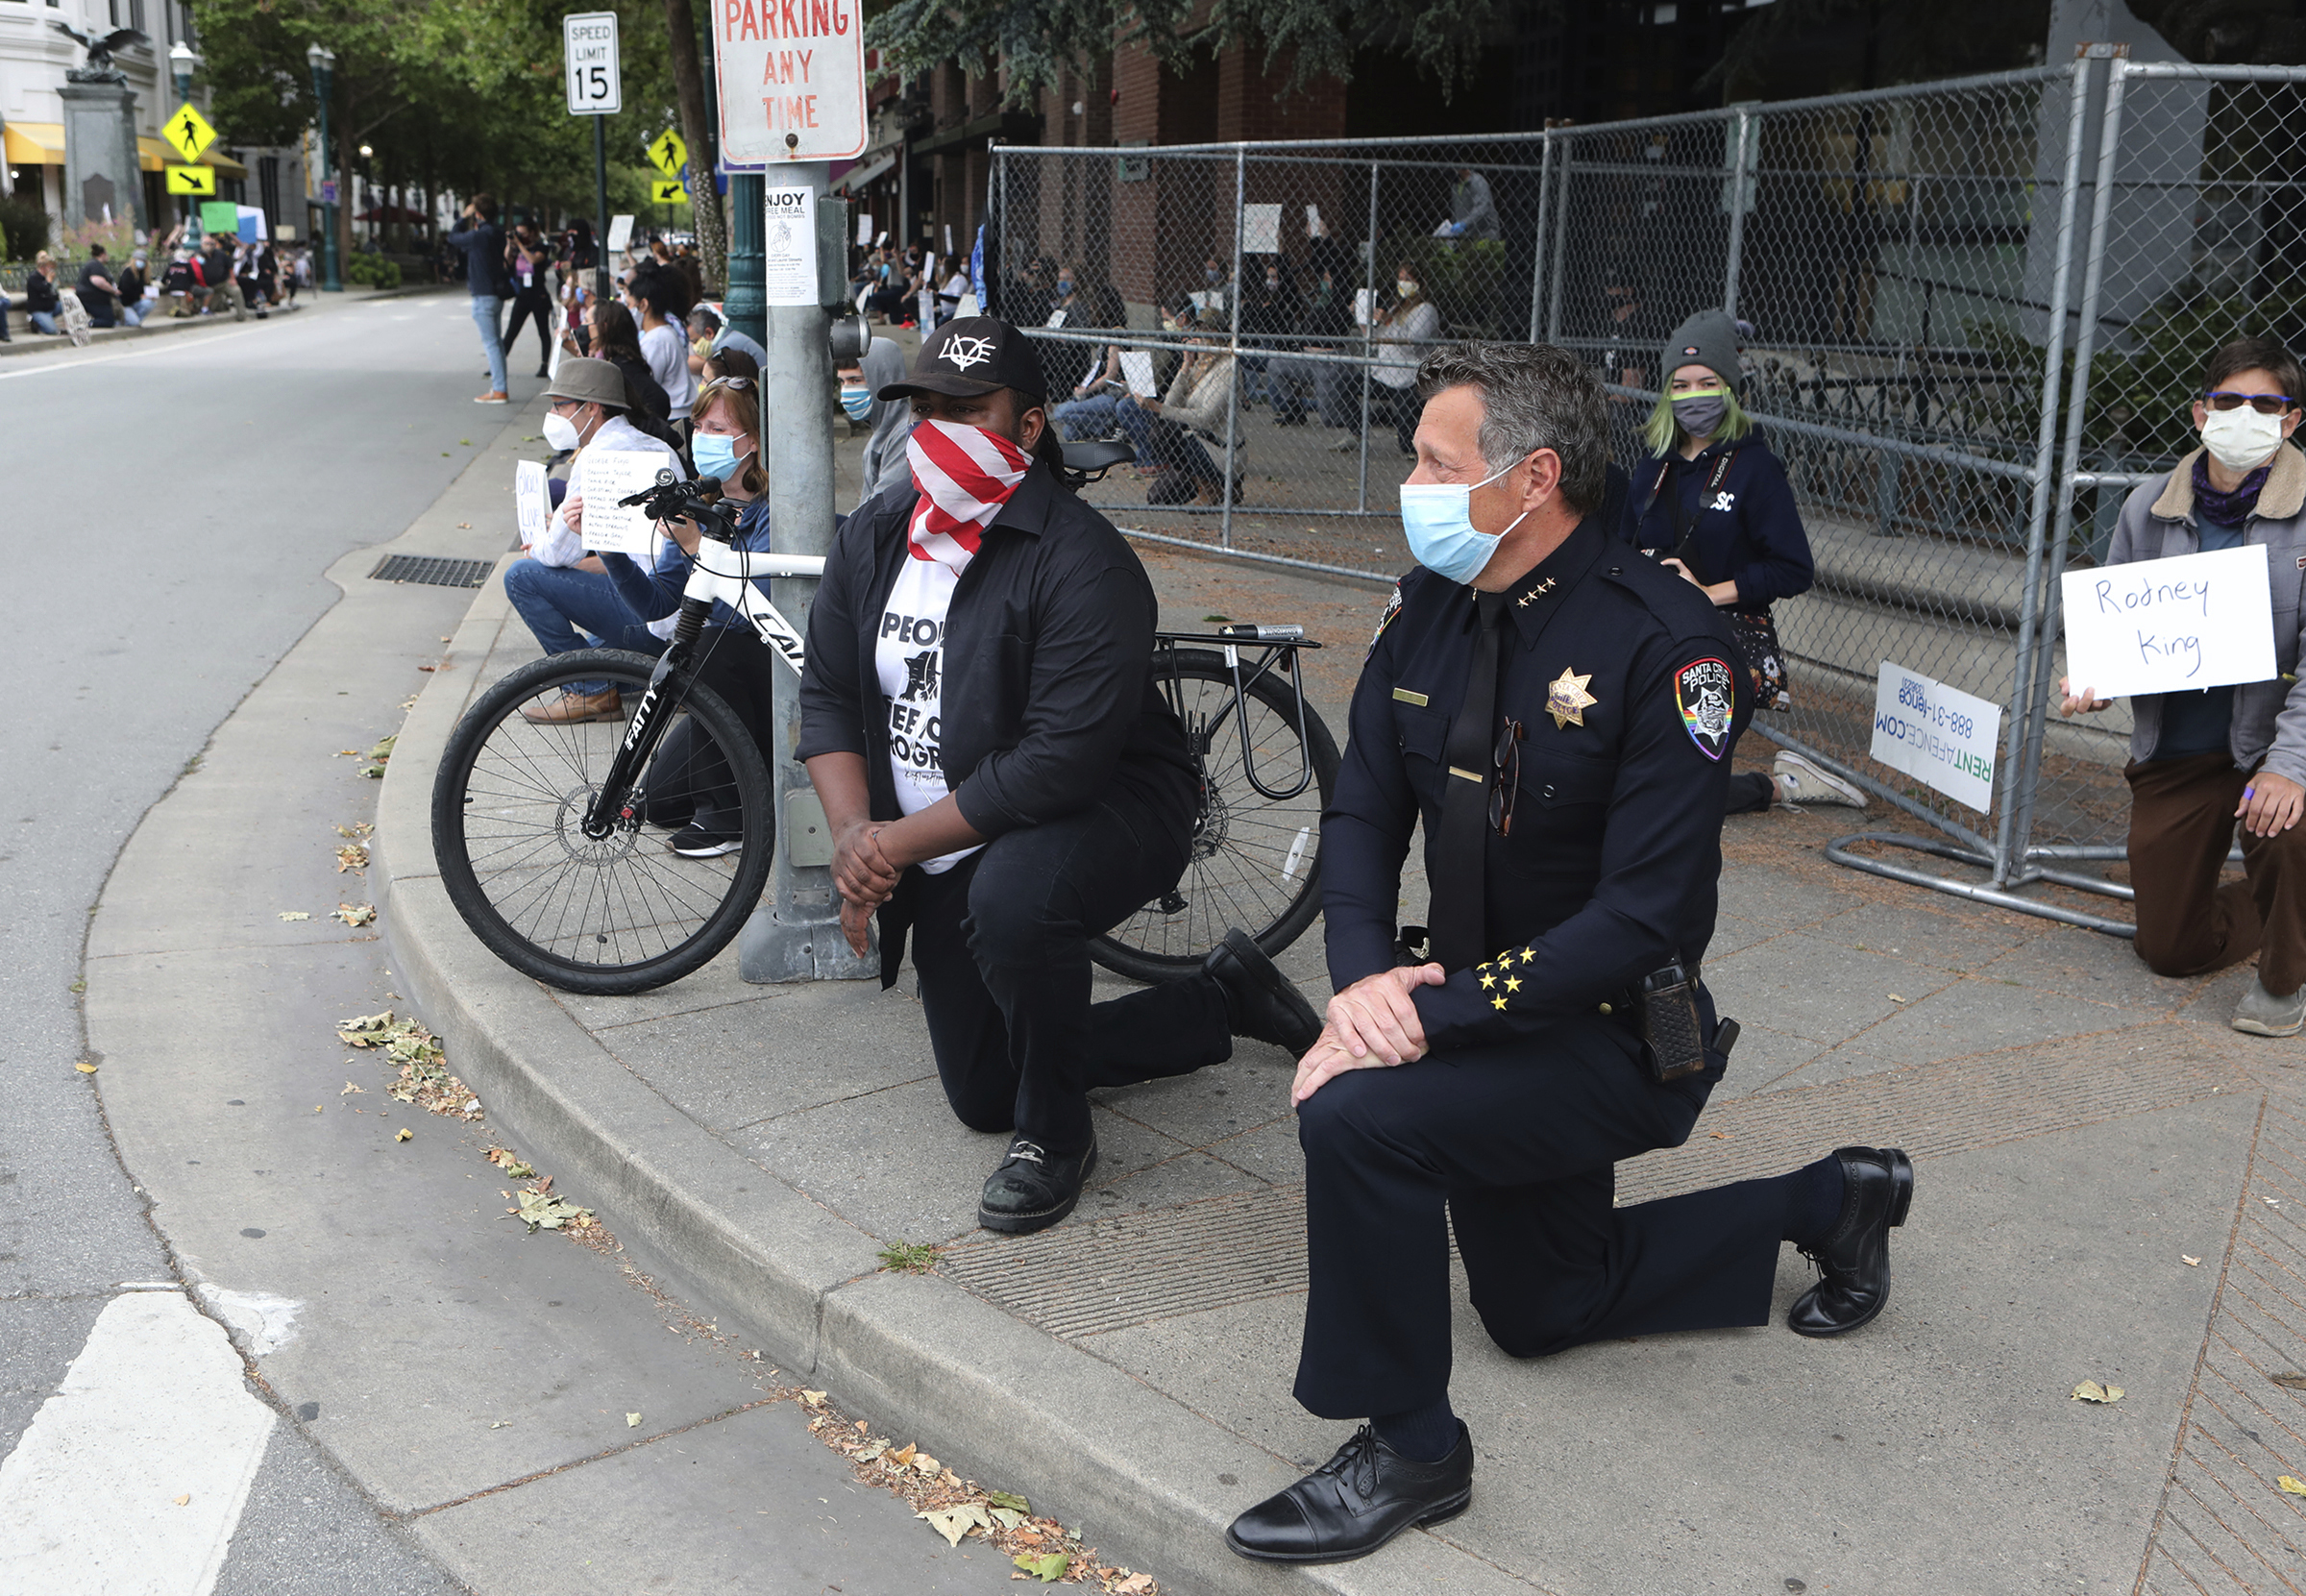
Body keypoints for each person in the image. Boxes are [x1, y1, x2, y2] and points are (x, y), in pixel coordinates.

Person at [1224, 341, 1913, 1565]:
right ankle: (1835, 1198)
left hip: (1610, 1035)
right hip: (1479, 1018)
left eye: (1439, 461)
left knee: (1359, 1120)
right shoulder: (1431, 604)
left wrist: (1419, 1024)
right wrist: (1364, 978)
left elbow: (1643, 917)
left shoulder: (1668, 647)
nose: (1415, 481)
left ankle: (1412, 1445)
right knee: (1543, 1308)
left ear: (1533, 477)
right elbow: (1365, 811)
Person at [796, 316, 1322, 1233]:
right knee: (981, 1087)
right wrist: (852, 839)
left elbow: (1052, 766)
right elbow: (833, 695)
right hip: (941, 837)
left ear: (1029, 427)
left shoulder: (1084, 561)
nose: (941, 428)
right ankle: (1217, 1000)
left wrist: (891, 844)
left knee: (1012, 902)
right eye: (924, 408)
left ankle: (1057, 1137)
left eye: (970, 410)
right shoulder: (875, 536)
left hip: (1113, 803)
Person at [2060, 334, 2306, 1037]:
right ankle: (2277, 908)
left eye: (2266, 404)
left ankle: (2285, 980)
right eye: (2229, 401)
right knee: (2168, 950)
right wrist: (2096, 678)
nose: (2244, 415)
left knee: (2286, 824)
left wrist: (2289, 769)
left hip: (2271, 745)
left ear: (2291, 421)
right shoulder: (2146, 507)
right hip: (2183, 752)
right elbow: (2120, 630)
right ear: (2200, 413)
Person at [1627, 308, 1864, 815]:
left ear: (1731, 388)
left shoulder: (1756, 469)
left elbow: (1793, 568)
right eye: (1681, 384)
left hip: (1723, 642)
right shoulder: (1652, 466)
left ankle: (1782, 787)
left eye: (1708, 382)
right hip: (1647, 634)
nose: (1694, 396)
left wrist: (1707, 593)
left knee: (1671, 794)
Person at [597, 373, 778, 856]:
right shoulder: (708, 504)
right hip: (722, 678)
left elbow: (751, 617)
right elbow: (658, 603)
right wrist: (611, 549)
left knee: (707, 644)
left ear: (754, 440)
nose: (704, 439)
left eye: (718, 429)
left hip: (768, 677)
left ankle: (729, 818)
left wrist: (699, 545)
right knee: (660, 804)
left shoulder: (775, 510)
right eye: (699, 427)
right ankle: (751, 780)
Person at [503, 357, 680, 724]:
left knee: (521, 576)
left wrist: (536, 541)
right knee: (593, 651)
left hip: (650, 615)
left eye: (560, 406)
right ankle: (614, 678)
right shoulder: (655, 446)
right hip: (676, 617)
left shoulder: (597, 456)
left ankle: (591, 691)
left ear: (592, 408)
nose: (553, 415)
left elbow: (556, 553)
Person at [1361, 262, 1440, 456]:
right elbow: (1376, 341)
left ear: (1420, 283)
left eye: (1409, 280)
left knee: (1407, 445)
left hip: (1408, 378)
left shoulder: (1425, 310)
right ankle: (1358, 432)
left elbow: (1412, 342)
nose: (1403, 283)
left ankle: (1392, 419)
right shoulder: (1396, 307)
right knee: (1345, 384)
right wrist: (1364, 320)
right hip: (1383, 374)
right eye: (1401, 279)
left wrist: (1391, 322)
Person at [449, 193, 512, 404]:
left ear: (477, 214)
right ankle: (499, 387)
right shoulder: (497, 233)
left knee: (491, 344)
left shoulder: (479, 236)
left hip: (482, 294)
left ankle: (499, 389)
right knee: (497, 343)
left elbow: (453, 237)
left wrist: (462, 218)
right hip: (496, 292)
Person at [628, 267, 697, 429]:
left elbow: (646, 386)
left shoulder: (655, 341)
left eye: (630, 304)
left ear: (643, 304)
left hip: (672, 418)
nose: (629, 310)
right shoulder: (664, 333)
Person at [851, 336, 914, 508]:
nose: (847, 390)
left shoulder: (905, 434)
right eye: (843, 382)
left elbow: (880, 507)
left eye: (856, 381)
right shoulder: (882, 431)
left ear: (881, 378)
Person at [503, 222, 558, 379]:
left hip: (538, 295)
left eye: (523, 233)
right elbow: (506, 260)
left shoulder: (541, 247)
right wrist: (510, 244)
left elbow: (534, 260)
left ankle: (545, 364)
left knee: (543, 331)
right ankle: (499, 362)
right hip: (522, 295)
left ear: (533, 233)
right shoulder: (516, 247)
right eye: (518, 233)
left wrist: (520, 244)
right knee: (511, 331)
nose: (521, 237)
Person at [73, 244, 124, 329]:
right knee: (108, 320)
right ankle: (87, 323)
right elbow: (98, 281)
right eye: (107, 254)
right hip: (92, 299)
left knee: (108, 318)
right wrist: (113, 290)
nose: (108, 257)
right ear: (102, 254)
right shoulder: (96, 265)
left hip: (90, 298)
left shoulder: (91, 264)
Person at [1447, 167, 1500, 242]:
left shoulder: (1478, 182)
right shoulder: (1456, 186)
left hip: (1486, 233)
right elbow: (1456, 209)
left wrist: (1464, 223)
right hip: (1468, 235)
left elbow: (1482, 207)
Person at [24, 252, 62, 334]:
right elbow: (42, 289)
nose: (52, 270)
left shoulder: (49, 278)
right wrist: (48, 282)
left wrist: (53, 284)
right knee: (52, 331)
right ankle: (37, 324)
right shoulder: (34, 278)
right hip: (39, 310)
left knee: (66, 305)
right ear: (43, 267)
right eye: (50, 268)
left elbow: (54, 294)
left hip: (51, 308)